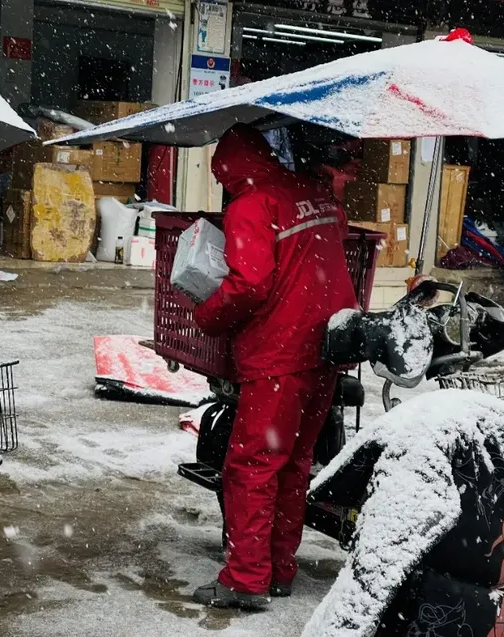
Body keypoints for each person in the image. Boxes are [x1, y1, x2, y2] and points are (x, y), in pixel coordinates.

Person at [192, 124, 358, 609]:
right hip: (325, 348)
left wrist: (206, 315)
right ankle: (280, 569)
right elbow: (333, 239)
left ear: (226, 171)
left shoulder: (250, 205)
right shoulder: (312, 192)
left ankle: (245, 580)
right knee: (293, 464)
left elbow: (248, 285)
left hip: (279, 354)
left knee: (251, 466)